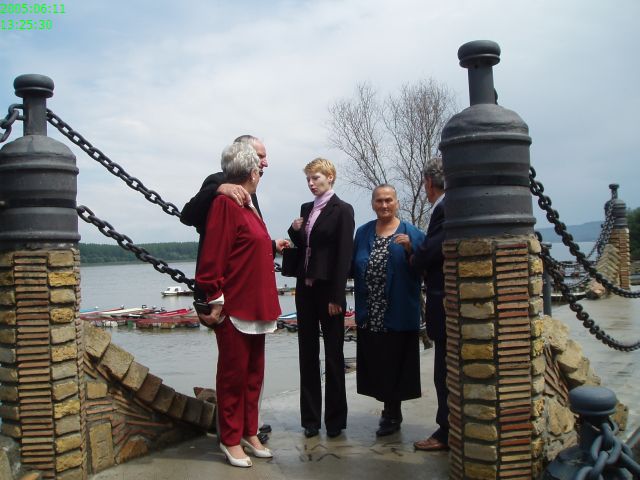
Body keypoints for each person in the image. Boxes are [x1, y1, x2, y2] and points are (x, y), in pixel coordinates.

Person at [181, 134, 283, 442]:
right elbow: (191, 217)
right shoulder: (220, 186)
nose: (265, 163)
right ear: (245, 156)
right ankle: (232, 435)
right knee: (234, 371)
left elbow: (245, 239)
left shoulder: (251, 194)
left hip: (253, 297)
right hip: (229, 298)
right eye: (260, 156)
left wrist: (270, 245)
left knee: (252, 372)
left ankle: (250, 429)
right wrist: (218, 189)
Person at [287, 158, 354, 438]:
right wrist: (294, 230)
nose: (311, 183)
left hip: (329, 292)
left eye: (316, 178)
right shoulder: (307, 208)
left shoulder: (343, 210)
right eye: (308, 179)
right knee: (307, 354)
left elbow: (344, 255)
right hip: (305, 290)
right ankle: (311, 420)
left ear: (330, 177)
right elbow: (305, 245)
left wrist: (338, 296)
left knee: (334, 355)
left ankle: (335, 421)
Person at [351, 184, 425, 436]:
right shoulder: (363, 233)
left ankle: (393, 413)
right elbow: (351, 265)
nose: (384, 205)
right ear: (373, 203)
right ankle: (387, 407)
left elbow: (424, 268)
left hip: (398, 310)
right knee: (377, 362)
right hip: (371, 310)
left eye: (389, 200)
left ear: (397, 203)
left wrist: (411, 250)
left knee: (396, 362)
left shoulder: (412, 233)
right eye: (379, 201)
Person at [410, 157, 449, 451]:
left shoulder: (444, 208)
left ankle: (445, 430)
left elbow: (431, 250)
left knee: (444, 371)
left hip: (443, 299)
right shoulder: (450, 206)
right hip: (446, 298)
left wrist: (413, 256)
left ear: (428, 182)